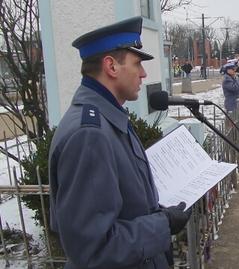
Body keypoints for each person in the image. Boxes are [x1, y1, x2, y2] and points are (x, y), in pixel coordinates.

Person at [48, 17, 191, 269]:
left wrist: (159, 212)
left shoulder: (109, 117)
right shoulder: (89, 135)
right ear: (111, 67)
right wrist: (164, 224)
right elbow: (93, 250)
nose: (144, 73)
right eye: (137, 63)